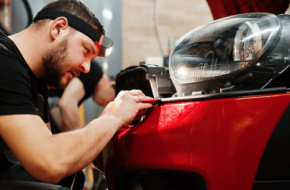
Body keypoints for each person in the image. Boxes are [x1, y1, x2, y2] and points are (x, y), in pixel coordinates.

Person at [0, 0, 152, 189]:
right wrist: (112, 118)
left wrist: (108, 120)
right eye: (86, 50)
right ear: (58, 28)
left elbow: (52, 155)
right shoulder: (4, 63)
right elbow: (49, 162)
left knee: (72, 177)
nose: (87, 68)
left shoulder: (38, 80)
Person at [49, 60, 115, 133]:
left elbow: (57, 113)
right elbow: (67, 103)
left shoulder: (90, 88)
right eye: (110, 101)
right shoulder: (94, 72)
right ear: (113, 85)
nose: (105, 105)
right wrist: (81, 138)